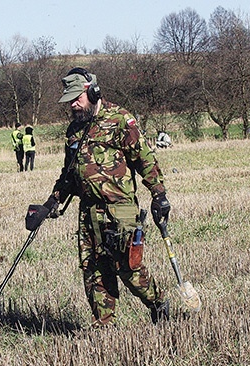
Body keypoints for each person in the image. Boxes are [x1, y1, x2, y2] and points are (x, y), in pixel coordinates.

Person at [30, 67, 200, 327]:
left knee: (128, 269)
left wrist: (159, 195)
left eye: (78, 98)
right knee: (94, 271)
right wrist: (50, 204)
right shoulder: (74, 130)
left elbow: (145, 160)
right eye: (70, 100)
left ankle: (158, 302)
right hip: (88, 212)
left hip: (119, 210)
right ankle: (104, 325)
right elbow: (69, 174)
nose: (73, 105)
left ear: (93, 92)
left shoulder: (120, 120)